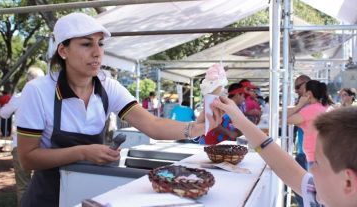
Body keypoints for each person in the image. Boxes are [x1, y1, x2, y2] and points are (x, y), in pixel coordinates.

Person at [16, 13, 219, 207]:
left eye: (100, 44)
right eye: (87, 44)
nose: (97, 52)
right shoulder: (38, 91)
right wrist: (83, 152)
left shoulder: (107, 86)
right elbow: (28, 159)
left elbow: (152, 124)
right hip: (46, 197)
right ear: (63, 51)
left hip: (87, 190)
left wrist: (195, 128)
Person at [213, 97, 357, 207]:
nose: (311, 168)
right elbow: (288, 169)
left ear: (348, 182)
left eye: (317, 163)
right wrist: (241, 121)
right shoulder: (334, 191)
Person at [0, 67, 45, 207]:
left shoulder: (19, 97)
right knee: (41, 184)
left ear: (27, 80)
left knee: (23, 186)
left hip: (20, 146)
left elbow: (3, 113)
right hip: (44, 148)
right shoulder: (48, 98)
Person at [287, 80, 334, 168]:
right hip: (326, 154)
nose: (301, 93)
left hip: (315, 157)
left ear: (309, 93)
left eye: (303, 90)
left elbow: (287, 119)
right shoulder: (327, 107)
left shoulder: (311, 109)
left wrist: (299, 105)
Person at [287, 74, 311, 207]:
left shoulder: (310, 107)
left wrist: (299, 105)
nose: (296, 91)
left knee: (305, 194)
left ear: (307, 85)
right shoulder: (309, 105)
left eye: (298, 87)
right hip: (305, 153)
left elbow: (285, 119)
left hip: (307, 156)